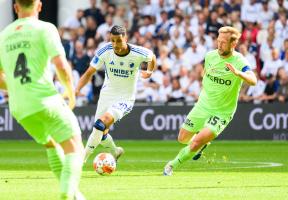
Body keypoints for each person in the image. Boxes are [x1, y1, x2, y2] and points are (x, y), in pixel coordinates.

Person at [0, 1, 85, 199]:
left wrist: (16, 87)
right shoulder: (45, 28)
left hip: (19, 106)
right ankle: (66, 193)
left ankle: (74, 195)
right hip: (44, 99)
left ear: (16, 7)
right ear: (39, 6)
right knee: (76, 147)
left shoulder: (3, 36)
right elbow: (61, 66)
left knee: (52, 143)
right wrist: (70, 93)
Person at [163, 26, 257, 176]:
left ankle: (171, 166)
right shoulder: (210, 56)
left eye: (223, 42)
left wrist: (239, 74)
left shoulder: (239, 61)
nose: (219, 45)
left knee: (195, 142)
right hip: (202, 105)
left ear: (233, 44)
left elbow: (253, 80)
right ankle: (201, 145)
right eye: (218, 41)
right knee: (182, 138)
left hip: (222, 112)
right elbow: (205, 73)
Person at [76, 25, 156, 163]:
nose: (115, 44)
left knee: (99, 125)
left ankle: (81, 160)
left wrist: (149, 72)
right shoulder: (105, 51)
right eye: (112, 40)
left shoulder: (137, 52)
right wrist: (76, 90)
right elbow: (89, 72)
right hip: (107, 94)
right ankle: (115, 151)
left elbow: (152, 57)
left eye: (118, 40)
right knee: (101, 134)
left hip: (125, 99)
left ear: (125, 38)